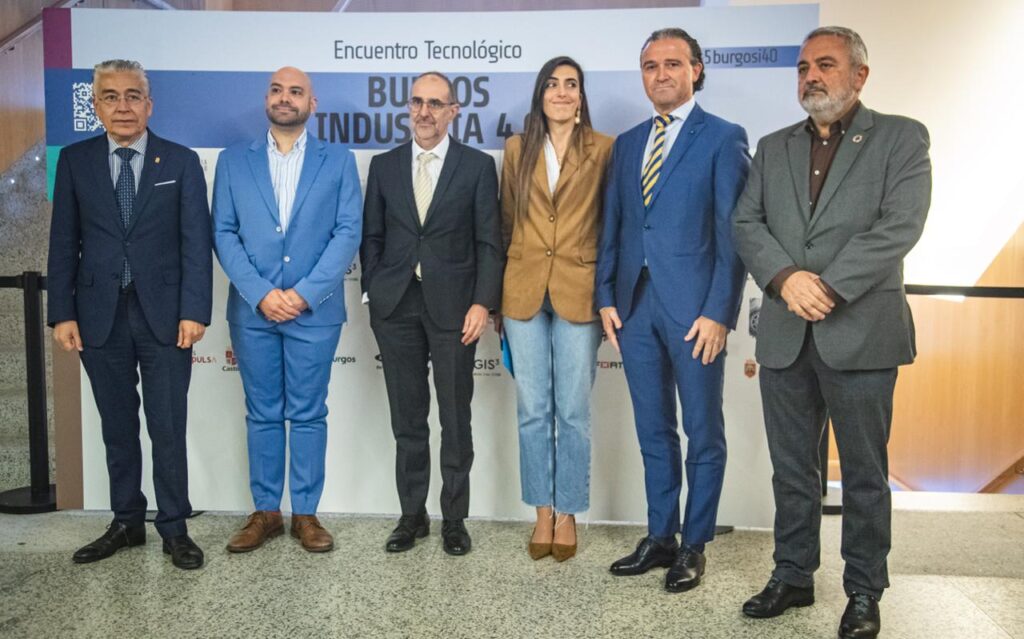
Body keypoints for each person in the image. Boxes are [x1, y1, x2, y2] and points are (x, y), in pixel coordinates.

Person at [732, 26, 931, 639]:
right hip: (786, 331)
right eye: (802, 68)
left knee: (864, 474)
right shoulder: (773, 147)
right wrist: (786, 278)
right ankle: (792, 575)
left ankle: (864, 591)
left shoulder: (901, 137)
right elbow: (746, 222)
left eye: (825, 65)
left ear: (859, 75)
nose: (811, 77)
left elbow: (900, 225)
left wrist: (828, 286)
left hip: (862, 332)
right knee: (792, 470)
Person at [595, 28, 749, 592]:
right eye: (650, 65)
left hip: (695, 314)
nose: (660, 74)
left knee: (703, 433)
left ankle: (694, 544)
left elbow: (733, 234)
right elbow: (614, 226)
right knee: (653, 431)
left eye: (672, 64)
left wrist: (720, 312)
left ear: (695, 70)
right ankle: (660, 536)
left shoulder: (724, 138)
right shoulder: (628, 143)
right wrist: (605, 296)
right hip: (634, 309)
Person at [47, 59, 212, 570]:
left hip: (165, 316)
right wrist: (62, 313)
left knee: (167, 426)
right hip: (98, 316)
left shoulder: (180, 161)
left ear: (149, 105)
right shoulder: (74, 161)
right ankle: (126, 521)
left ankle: (174, 527)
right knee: (117, 427)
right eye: (111, 96)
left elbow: (196, 243)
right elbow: (63, 241)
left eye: (133, 96)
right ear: (96, 106)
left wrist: (194, 310)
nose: (123, 106)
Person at [212, 67, 362, 554]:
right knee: (262, 413)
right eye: (277, 90)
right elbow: (223, 232)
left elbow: (347, 232)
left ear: (311, 104)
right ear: (267, 99)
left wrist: (303, 294)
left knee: (309, 413)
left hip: (314, 312)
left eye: (296, 91)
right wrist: (260, 293)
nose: (284, 98)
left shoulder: (337, 161)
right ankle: (265, 513)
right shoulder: (233, 161)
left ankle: (306, 514)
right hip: (253, 312)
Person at [361, 71, 503, 556]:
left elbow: (489, 242)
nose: (424, 112)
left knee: (455, 418)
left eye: (436, 104)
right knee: (408, 419)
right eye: (417, 102)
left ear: (453, 111)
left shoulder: (477, 166)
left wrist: (482, 302)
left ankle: (454, 519)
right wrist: (375, 290)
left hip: (455, 310)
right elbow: (372, 237)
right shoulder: (384, 166)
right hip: (395, 306)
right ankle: (412, 515)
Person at [497, 56, 612, 561]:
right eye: (552, 84)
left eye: (571, 85)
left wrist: (608, 293)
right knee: (532, 410)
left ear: (581, 96)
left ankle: (568, 512)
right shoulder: (516, 148)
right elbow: (506, 221)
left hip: (579, 290)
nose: (562, 92)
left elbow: (611, 224)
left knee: (573, 411)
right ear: (540, 94)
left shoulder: (604, 148)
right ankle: (541, 511)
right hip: (522, 290)